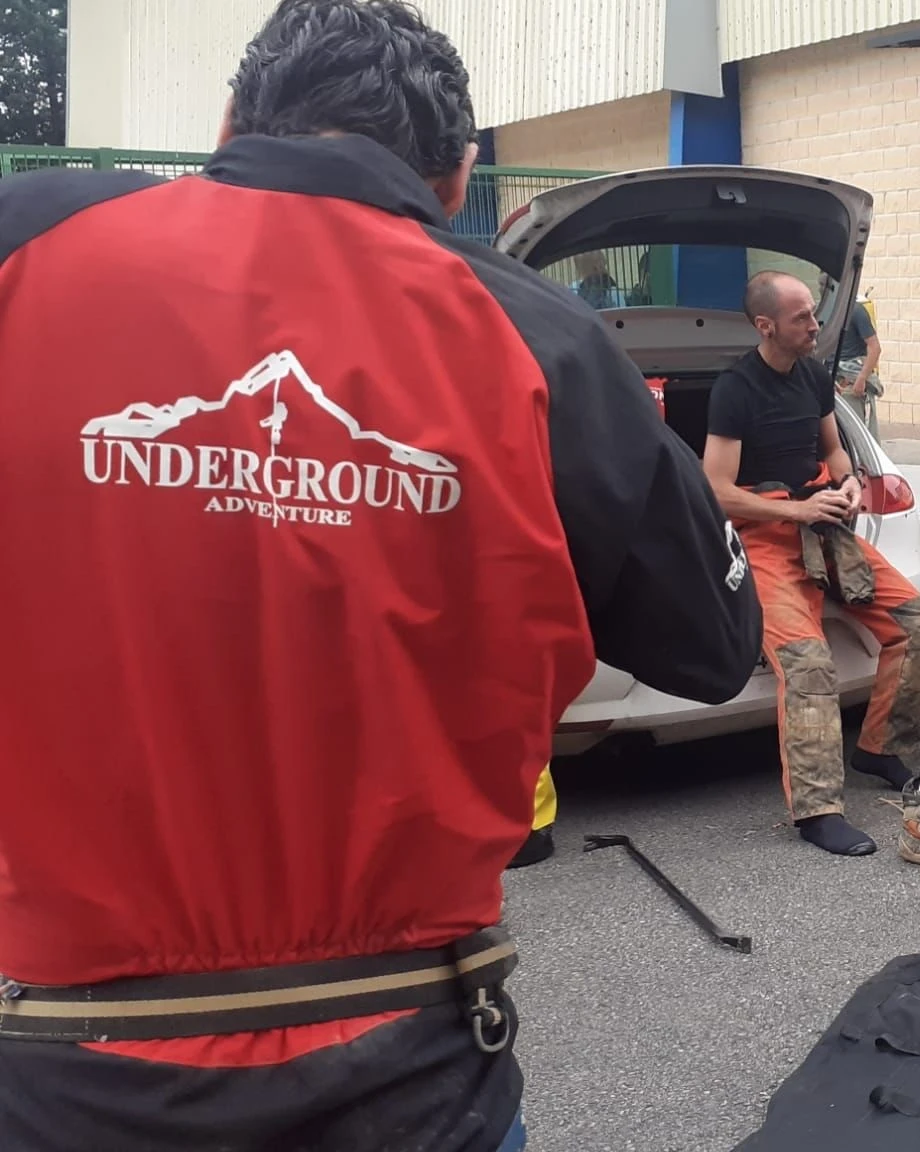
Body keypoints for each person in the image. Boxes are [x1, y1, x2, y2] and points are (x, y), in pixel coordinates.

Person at [0, 2, 764, 1148]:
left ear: (227, 122)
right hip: (406, 1064)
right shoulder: (544, 340)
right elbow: (714, 647)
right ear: (457, 181)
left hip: (60, 1063)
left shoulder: (27, 246)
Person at [704, 271, 920, 858]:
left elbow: (834, 449)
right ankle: (817, 811)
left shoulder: (813, 377)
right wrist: (796, 508)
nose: (815, 325)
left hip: (827, 527)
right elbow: (716, 490)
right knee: (808, 663)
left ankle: (882, 747)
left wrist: (850, 483)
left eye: (814, 313)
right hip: (766, 539)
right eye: (801, 318)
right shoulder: (734, 389)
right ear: (766, 326)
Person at [823, 274, 883, 437]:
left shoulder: (856, 311)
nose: (822, 290)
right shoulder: (825, 312)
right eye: (822, 286)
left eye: (826, 287)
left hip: (850, 382)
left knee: (855, 434)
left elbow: (874, 347)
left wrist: (861, 379)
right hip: (831, 378)